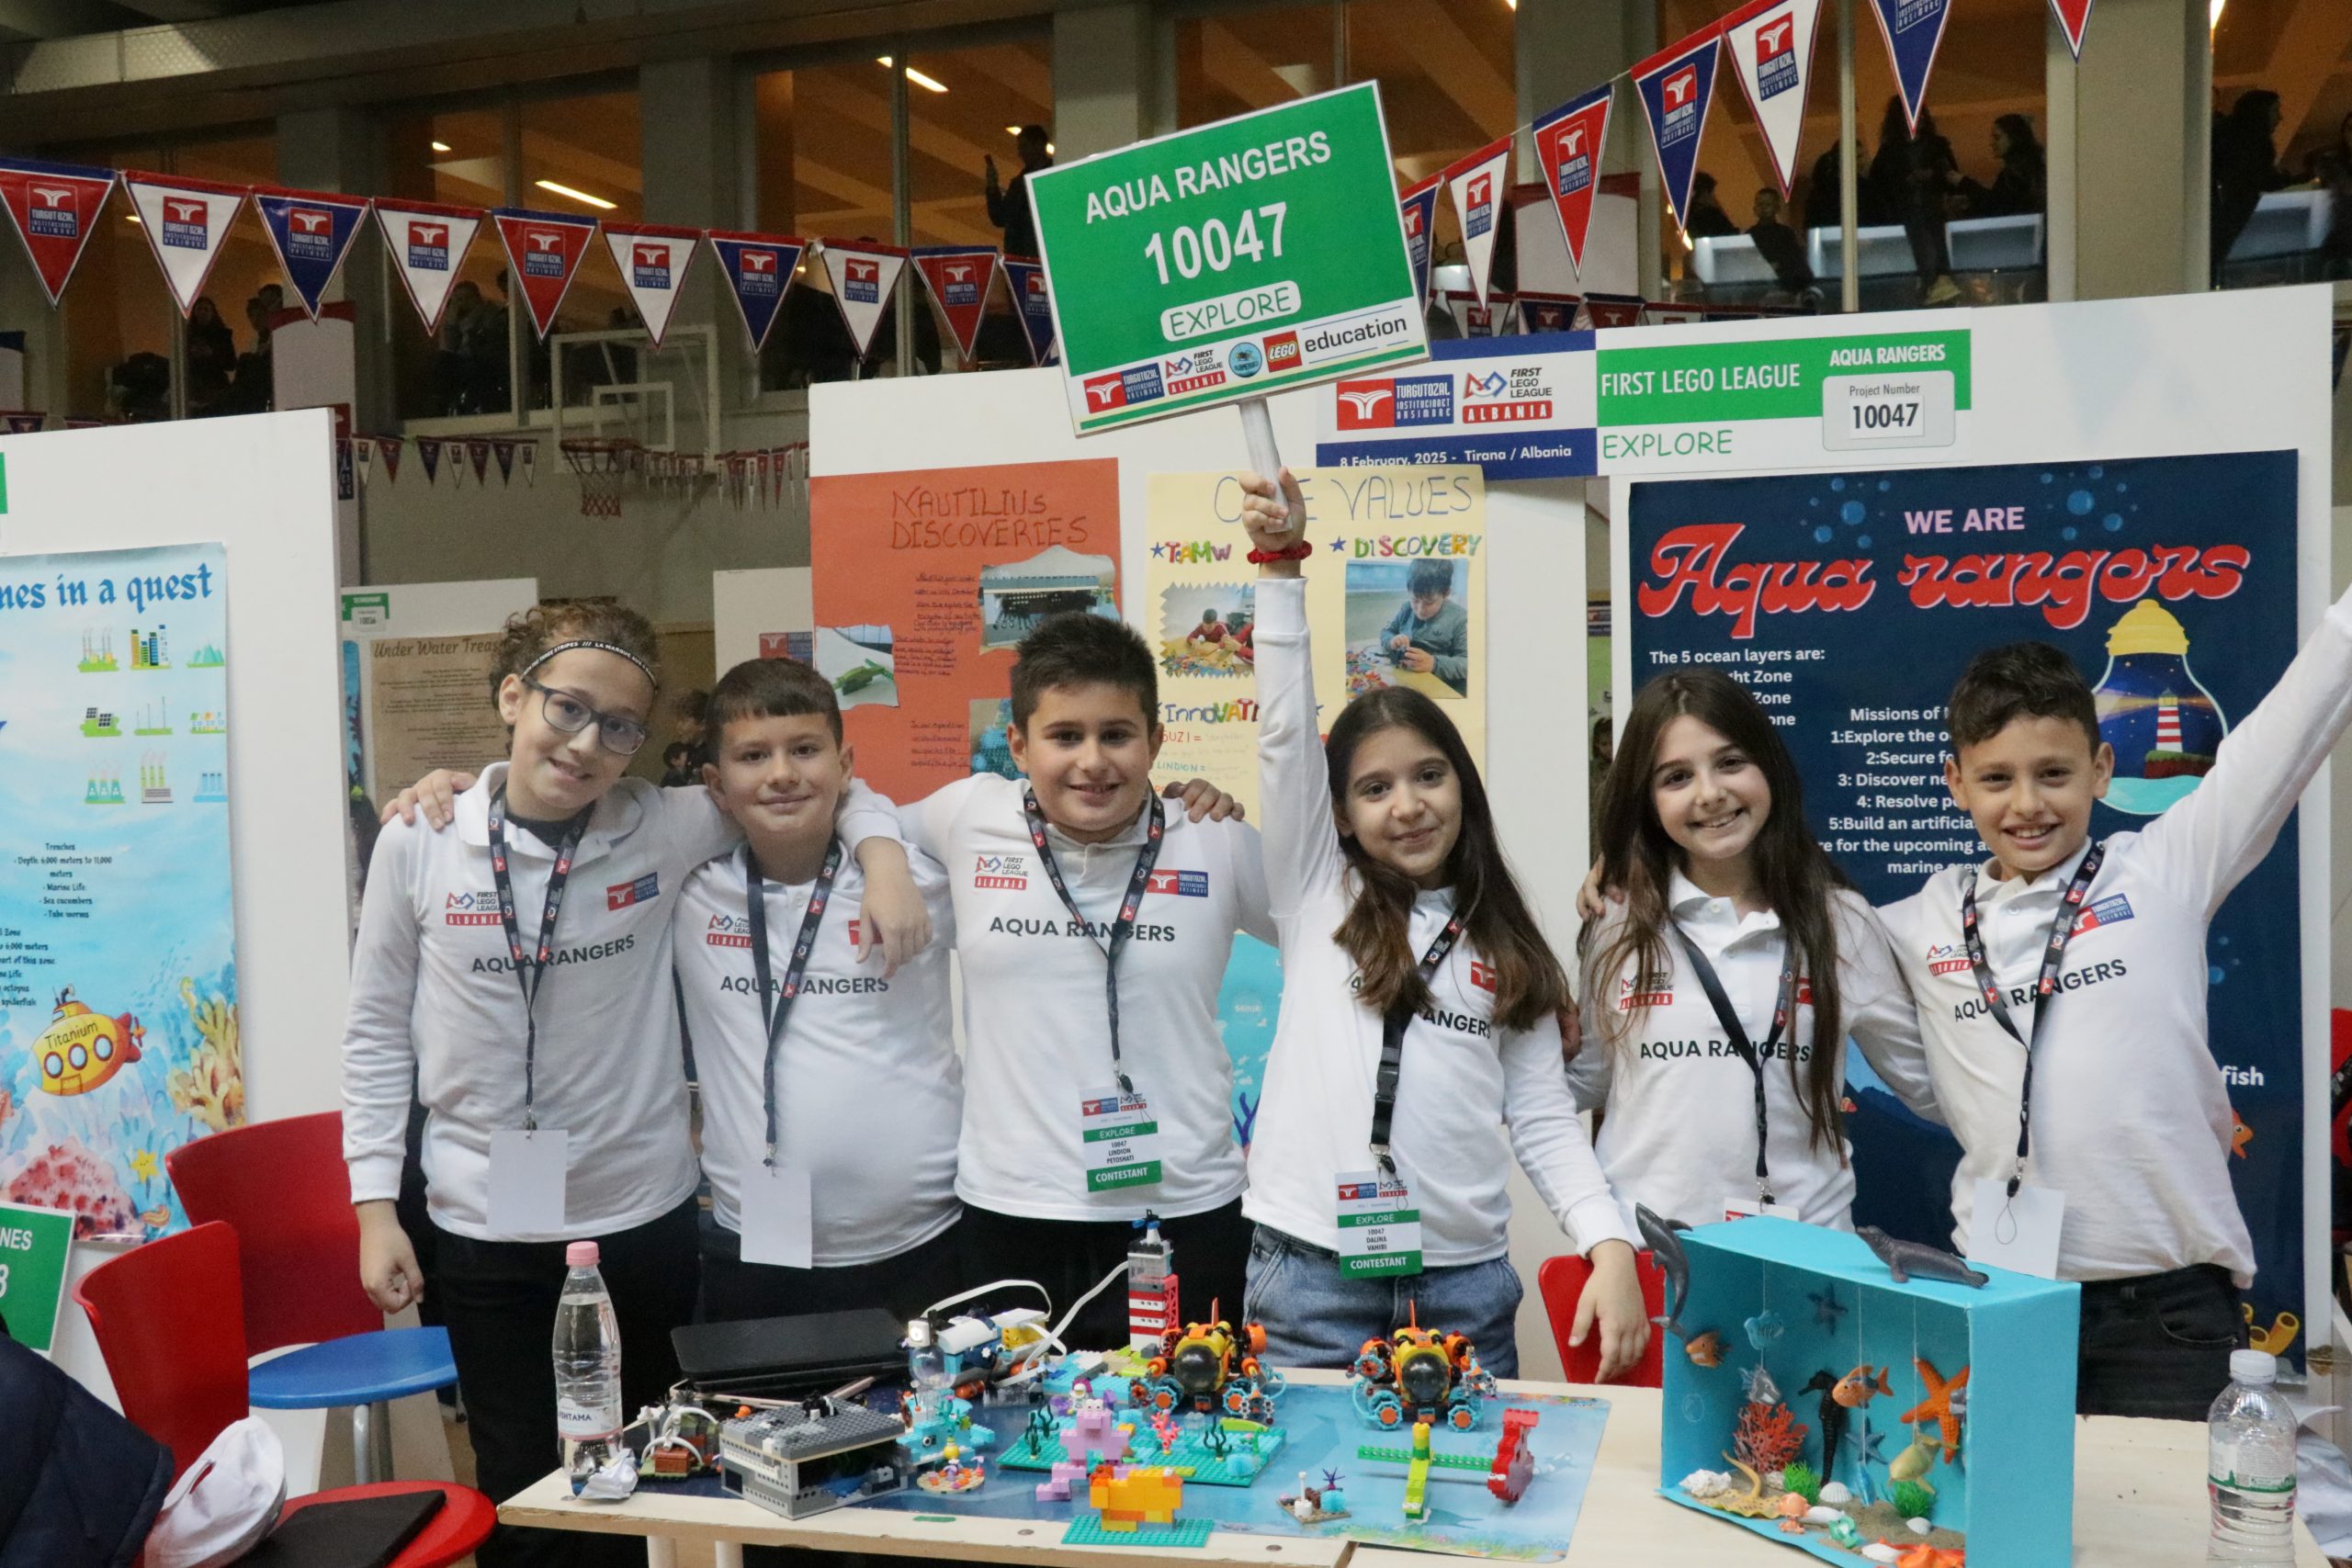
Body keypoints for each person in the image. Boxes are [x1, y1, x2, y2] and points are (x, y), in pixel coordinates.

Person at [345, 600, 923, 1568]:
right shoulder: (420, 839)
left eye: (619, 728)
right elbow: (371, 1032)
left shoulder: (661, 826)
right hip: (483, 1223)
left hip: (641, 1221)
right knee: (523, 1484)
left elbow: (816, 782)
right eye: (568, 709)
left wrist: (883, 856)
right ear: (513, 697)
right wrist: (373, 1206)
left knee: (657, 1475)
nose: (586, 745)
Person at [1875, 592, 2352, 1420]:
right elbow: (1782, 934)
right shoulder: (1914, 923)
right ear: (1956, 783)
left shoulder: (2166, 868)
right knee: (2008, 1508)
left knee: (2164, 1508)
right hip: (2002, 1298)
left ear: (2100, 768)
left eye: (2054, 773)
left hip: (2168, 1313)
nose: (2027, 803)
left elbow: (2293, 724)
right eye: (1997, 778)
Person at [1232, 468, 1645, 1381]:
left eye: (1429, 775)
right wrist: (1279, 567)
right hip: (1310, 1281)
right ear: (1341, 816)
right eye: (1374, 788)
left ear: (1463, 784)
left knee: (1462, 1479)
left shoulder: (1506, 942)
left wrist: (1608, 1242)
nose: (1408, 805)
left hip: (1461, 1290)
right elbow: (1283, 738)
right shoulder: (1317, 890)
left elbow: (1541, 1119)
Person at [890, 613, 1271, 1348]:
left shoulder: (1213, 838)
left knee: (1187, 1415)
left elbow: (1337, 920)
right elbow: (857, 815)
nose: (1092, 761)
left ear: (1155, 741)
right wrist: (880, 861)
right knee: (1013, 1418)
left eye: (1116, 734)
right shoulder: (969, 815)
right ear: (1018, 745)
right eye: (1065, 736)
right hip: (1012, 1211)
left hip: (1186, 1212)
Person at [1574, 669, 1938, 1242]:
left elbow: (1932, 1087)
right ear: (1647, 799)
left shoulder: (1841, 922)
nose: (1709, 793)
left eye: (1730, 762)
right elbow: (1586, 1080)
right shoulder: (1619, 920)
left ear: (1769, 766)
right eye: (1676, 777)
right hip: (1651, 1252)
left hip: (1810, 1256)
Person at [675, 658, 965, 1325]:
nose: (782, 773)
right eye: (754, 756)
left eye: (805, 750)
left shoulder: (919, 878)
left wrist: (1183, 801)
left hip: (924, 1241)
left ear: (846, 764)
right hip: (753, 1245)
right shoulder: (690, 888)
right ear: (716, 784)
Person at [1871, 97, 1960, 304]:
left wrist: (1933, 176)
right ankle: (1933, 283)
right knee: (1922, 246)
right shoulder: (1890, 152)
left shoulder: (1936, 146)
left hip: (1932, 211)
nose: (1918, 118)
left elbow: (1952, 177)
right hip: (1905, 215)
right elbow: (1878, 187)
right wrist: (1905, 182)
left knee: (1931, 244)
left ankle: (1934, 282)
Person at [2211, 89, 2288, 281]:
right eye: (2275, 111)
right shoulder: (2246, 148)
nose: (2280, 118)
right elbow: (2256, 182)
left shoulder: (2227, 137)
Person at [1379, 558, 1470, 697]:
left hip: (1441, 689)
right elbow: (1386, 632)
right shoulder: (1406, 609)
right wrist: (1392, 641)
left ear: (1446, 593)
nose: (1420, 610)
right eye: (1415, 600)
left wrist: (1434, 664)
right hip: (1408, 682)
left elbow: (1467, 663)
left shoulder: (1460, 619)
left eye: (1429, 603)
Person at [1952, 114, 2046, 219]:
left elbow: (1995, 206)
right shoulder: (2028, 168)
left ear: (2014, 138)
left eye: (1997, 138)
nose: (1991, 143)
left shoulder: (2015, 174)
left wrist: (1964, 183)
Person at [986, 125, 1052, 260]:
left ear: (1039, 145)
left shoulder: (1053, 177)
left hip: (1038, 254)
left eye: (1024, 147)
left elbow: (1001, 217)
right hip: (1020, 256)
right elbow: (1000, 217)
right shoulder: (1018, 184)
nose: (1020, 154)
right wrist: (992, 188)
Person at [1747, 187, 1814, 292]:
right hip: (1758, 283)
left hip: (1783, 282)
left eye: (1768, 204)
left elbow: (1793, 259)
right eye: (1760, 204)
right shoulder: (1749, 235)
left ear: (1777, 208)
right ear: (1755, 208)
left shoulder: (1786, 233)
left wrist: (1777, 265)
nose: (1764, 208)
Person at [184, 297, 235, 415]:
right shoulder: (186, 336)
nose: (202, 312)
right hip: (193, 384)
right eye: (199, 309)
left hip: (215, 384)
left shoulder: (222, 336)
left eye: (206, 309)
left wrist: (212, 354)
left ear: (212, 313)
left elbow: (231, 364)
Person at [1682, 173, 1740, 239]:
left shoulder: (1687, 216)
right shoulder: (1710, 214)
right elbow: (1731, 234)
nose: (1713, 197)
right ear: (1705, 193)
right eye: (1711, 193)